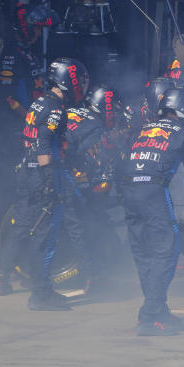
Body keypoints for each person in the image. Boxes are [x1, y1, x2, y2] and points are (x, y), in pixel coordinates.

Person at [120, 88, 184, 336]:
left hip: (129, 191)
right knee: (167, 251)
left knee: (144, 254)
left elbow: (118, 165)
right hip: (154, 192)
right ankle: (149, 315)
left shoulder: (141, 130)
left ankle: (160, 311)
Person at [0, 58, 89, 309]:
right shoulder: (56, 108)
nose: (81, 85)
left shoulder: (39, 102)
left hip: (26, 171)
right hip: (43, 173)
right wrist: (50, 182)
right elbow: (45, 143)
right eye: (78, 80)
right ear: (68, 81)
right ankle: (41, 294)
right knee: (45, 235)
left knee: (21, 228)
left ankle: (2, 278)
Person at [61, 85, 125, 291]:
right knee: (83, 224)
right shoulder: (95, 126)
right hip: (61, 177)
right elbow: (82, 157)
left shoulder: (72, 111)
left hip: (42, 167)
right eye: (113, 110)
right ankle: (92, 277)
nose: (114, 115)